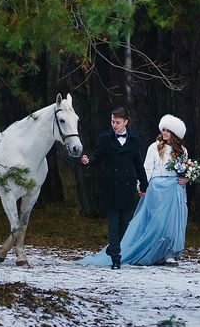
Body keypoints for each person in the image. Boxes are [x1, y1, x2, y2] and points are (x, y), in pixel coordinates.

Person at [79, 114, 189, 268]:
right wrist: (142, 185)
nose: (164, 133)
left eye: (168, 131)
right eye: (163, 130)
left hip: (174, 189)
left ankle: (169, 254)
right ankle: (152, 251)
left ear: (174, 134)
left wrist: (186, 178)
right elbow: (147, 168)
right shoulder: (155, 147)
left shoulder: (182, 150)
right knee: (156, 222)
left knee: (172, 223)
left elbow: (185, 168)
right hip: (157, 188)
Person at [79, 107, 149, 269]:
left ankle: (112, 248)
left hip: (127, 188)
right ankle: (116, 258)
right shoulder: (105, 138)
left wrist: (144, 184)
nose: (114, 125)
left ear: (126, 122)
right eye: (112, 122)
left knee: (125, 225)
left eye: (117, 122)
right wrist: (88, 161)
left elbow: (138, 164)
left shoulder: (135, 140)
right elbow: (97, 156)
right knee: (113, 224)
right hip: (110, 187)